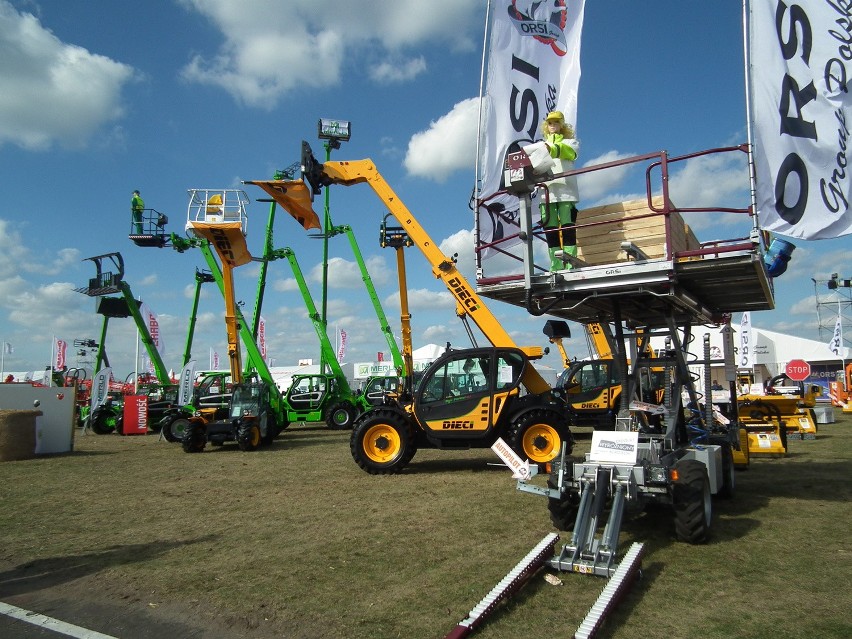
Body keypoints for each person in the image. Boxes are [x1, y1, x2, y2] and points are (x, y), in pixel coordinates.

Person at [539, 111, 580, 271]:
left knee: (568, 227)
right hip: (546, 193)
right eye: (550, 123)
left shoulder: (571, 142)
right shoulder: (540, 146)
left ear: (562, 125)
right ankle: (555, 265)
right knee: (550, 230)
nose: (553, 125)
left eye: (556, 122)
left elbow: (569, 153)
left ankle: (570, 263)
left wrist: (550, 148)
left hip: (566, 191)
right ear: (546, 126)